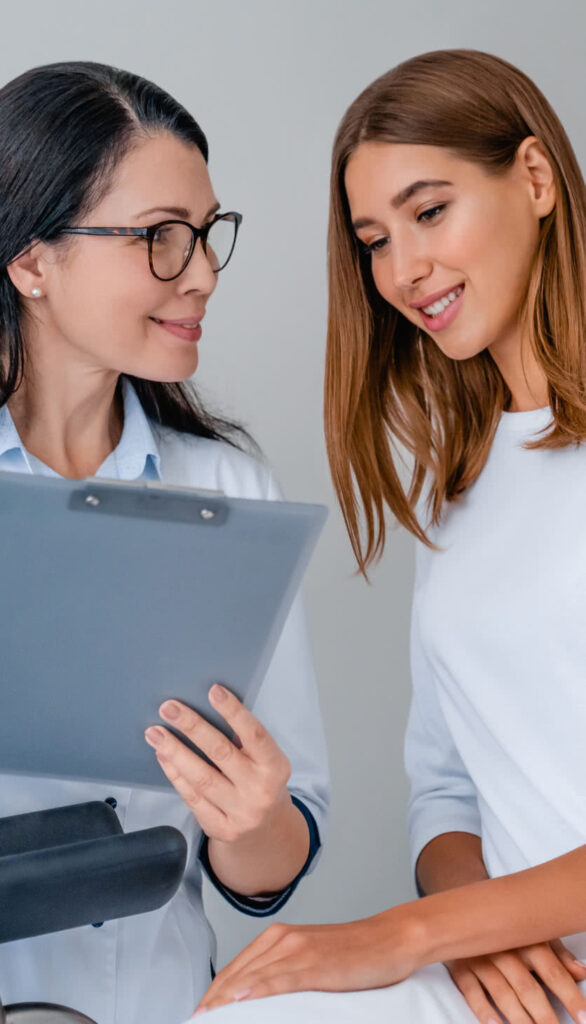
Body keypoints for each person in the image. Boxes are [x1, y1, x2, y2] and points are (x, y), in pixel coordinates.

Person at [196, 49, 586, 1024]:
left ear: (534, 179)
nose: (402, 271)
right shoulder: (455, 475)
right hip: (525, 981)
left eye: (428, 211)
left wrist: (414, 932)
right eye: (373, 238)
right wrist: (475, 925)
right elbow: (446, 790)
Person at [0, 62, 329, 1024]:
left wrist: (255, 816)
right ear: (31, 263)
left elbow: (275, 863)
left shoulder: (228, 492)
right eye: (159, 238)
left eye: (206, 233)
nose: (203, 272)